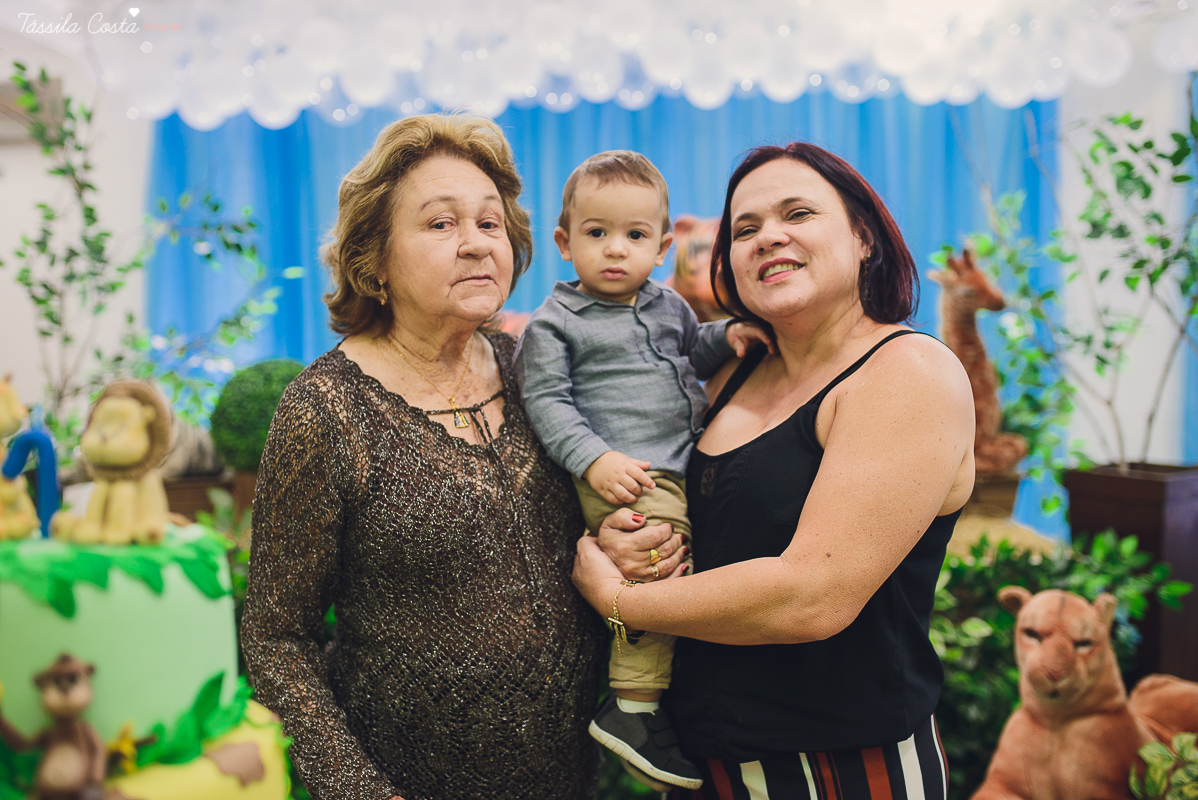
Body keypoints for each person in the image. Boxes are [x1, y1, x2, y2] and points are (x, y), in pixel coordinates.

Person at [573, 142, 975, 799]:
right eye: (746, 228)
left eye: (798, 213)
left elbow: (813, 595)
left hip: (841, 769)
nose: (769, 237)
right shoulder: (731, 372)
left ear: (864, 236)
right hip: (705, 763)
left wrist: (624, 602)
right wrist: (623, 533)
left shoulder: (907, 372)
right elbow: (660, 491)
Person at [240, 114, 605, 800]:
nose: (475, 245)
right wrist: (359, 791)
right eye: (441, 224)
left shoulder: (537, 373)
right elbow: (274, 641)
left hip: (572, 779)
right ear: (374, 261)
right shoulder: (325, 410)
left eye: (490, 224)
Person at [514, 151, 770, 791]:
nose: (614, 250)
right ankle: (632, 709)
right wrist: (593, 459)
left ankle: (658, 700)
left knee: (685, 569)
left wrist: (730, 335)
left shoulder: (667, 306)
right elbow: (546, 400)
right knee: (659, 567)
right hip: (625, 475)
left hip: (680, 465)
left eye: (634, 236)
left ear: (660, 247)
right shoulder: (555, 324)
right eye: (596, 234)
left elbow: (691, 351)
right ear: (564, 243)